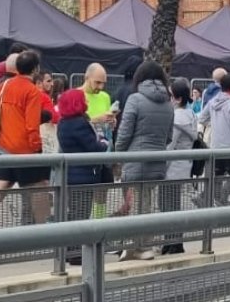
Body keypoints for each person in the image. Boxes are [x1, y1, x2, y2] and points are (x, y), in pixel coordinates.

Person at [114, 60, 174, 261]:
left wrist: (118, 154)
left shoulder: (135, 99)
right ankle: (144, 245)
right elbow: (169, 137)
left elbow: (124, 133)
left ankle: (136, 246)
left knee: (136, 204)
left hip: (135, 159)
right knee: (146, 203)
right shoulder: (168, 103)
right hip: (157, 161)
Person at [0, 50, 49, 227]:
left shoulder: (2, 86)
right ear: (35, 69)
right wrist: (37, 149)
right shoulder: (32, 91)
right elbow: (32, 125)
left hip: (2, 147)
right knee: (39, 189)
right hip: (24, 150)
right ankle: (46, 230)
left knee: (0, 185)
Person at [56, 88, 110, 265]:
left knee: (74, 212)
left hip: (71, 174)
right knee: (81, 213)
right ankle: (75, 252)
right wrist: (104, 143)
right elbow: (93, 147)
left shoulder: (63, 123)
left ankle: (69, 250)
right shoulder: (79, 123)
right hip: (84, 174)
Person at [196, 72, 230, 206]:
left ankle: (208, 199)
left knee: (217, 176)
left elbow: (202, 118)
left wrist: (215, 123)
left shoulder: (212, 102)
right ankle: (220, 200)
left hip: (216, 145)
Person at [160, 78, 198, 255]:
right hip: (184, 165)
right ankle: (175, 241)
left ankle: (171, 241)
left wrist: (161, 167)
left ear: (178, 98)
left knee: (167, 206)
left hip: (172, 168)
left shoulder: (176, 118)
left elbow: (170, 146)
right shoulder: (191, 115)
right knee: (174, 204)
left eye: (171, 95)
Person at [78, 62, 116, 219]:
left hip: (103, 152)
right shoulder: (76, 95)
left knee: (102, 192)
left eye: (103, 83)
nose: (100, 87)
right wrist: (97, 119)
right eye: (97, 82)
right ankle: (82, 226)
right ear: (86, 78)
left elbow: (107, 121)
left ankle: (99, 225)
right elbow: (72, 124)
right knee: (83, 197)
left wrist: (111, 122)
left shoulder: (105, 97)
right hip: (83, 153)